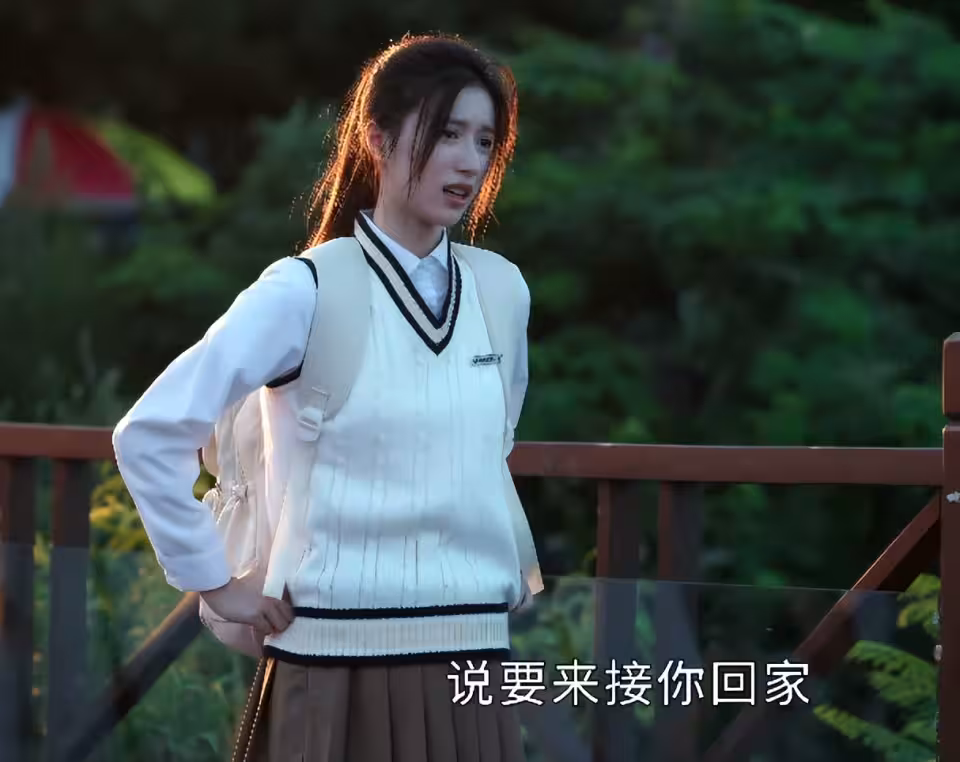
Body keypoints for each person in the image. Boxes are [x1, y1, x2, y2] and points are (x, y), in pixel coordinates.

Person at [112, 32, 540, 762]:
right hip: (335, 661)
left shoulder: (501, 290)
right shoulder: (305, 289)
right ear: (376, 137)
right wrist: (214, 582)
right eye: (446, 134)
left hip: (473, 657)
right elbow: (149, 432)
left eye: (484, 140)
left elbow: (490, 450)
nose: (469, 161)